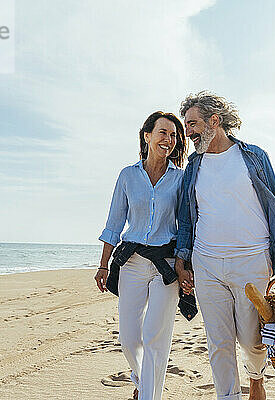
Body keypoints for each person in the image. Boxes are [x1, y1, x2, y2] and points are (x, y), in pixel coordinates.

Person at [173, 91, 275, 400]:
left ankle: (256, 376)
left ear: (214, 120)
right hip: (207, 262)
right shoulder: (192, 167)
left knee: (252, 339)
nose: (189, 133)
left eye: (193, 124)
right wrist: (183, 259)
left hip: (252, 260)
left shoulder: (253, 156)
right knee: (219, 341)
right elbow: (186, 216)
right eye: (186, 126)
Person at [95, 111, 189, 400]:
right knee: (129, 338)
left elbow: (186, 224)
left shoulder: (181, 179)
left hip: (166, 265)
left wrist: (185, 265)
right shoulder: (127, 175)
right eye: (163, 132)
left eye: (173, 135)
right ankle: (141, 380)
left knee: (155, 338)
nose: (168, 139)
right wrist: (102, 265)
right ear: (147, 136)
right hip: (132, 263)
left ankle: (150, 395)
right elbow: (114, 223)